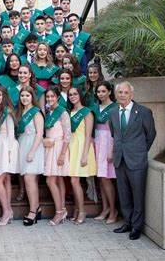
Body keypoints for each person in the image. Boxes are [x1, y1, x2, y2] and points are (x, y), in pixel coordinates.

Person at [109, 81, 156, 240]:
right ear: (116, 95)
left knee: (137, 194)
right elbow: (114, 134)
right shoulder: (113, 112)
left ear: (132, 95)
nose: (122, 95)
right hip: (119, 159)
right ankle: (127, 222)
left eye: (125, 92)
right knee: (124, 193)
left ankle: (136, 226)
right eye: (120, 92)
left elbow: (151, 135)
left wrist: (139, 151)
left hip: (136, 160)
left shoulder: (143, 112)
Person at [0, 85, 20, 226]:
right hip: (0, 144)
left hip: (7, 146)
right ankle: (10, 210)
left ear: (5, 96)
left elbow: (11, 133)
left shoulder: (7, 111)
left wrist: (8, 153)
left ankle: (6, 212)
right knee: (6, 179)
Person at [67, 86, 97, 225]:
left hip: (82, 147)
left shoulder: (86, 112)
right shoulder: (70, 112)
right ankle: (77, 210)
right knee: (73, 182)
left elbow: (88, 135)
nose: (73, 96)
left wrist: (85, 155)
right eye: (70, 94)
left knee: (75, 181)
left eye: (75, 94)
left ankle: (82, 211)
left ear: (80, 95)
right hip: (71, 146)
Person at [16, 86, 45, 226]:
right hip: (23, 144)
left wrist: (32, 151)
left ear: (32, 96)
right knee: (29, 179)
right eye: (22, 96)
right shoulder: (21, 111)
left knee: (29, 178)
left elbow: (40, 133)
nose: (24, 98)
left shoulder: (36, 112)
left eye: (27, 95)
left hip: (33, 145)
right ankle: (37, 207)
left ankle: (33, 211)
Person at [43, 86, 71, 226]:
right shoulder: (49, 111)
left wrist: (62, 154)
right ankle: (63, 209)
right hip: (50, 147)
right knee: (58, 180)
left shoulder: (62, 112)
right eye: (48, 97)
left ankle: (59, 212)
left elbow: (67, 135)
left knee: (50, 180)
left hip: (59, 147)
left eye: (52, 96)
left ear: (58, 97)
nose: (50, 99)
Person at [92, 81, 118, 224]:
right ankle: (105, 208)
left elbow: (115, 131)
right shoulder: (96, 108)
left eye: (103, 91)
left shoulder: (114, 108)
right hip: (97, 142)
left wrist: (111, 151)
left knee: (106, 178)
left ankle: (113, 210)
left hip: (108, 141)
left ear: (109, 91)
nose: (101, 94)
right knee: (100, 178)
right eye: (98, 92)